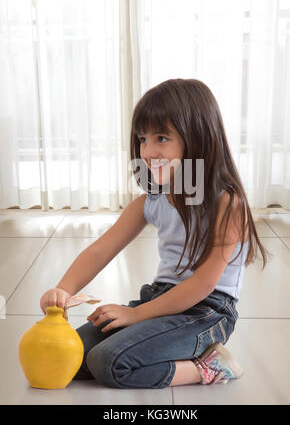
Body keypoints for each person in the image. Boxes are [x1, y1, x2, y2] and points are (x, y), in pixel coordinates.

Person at [40, 78, 270, 389]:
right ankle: (162, 349)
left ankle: (208, 368)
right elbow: (100, 250)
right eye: (142, 139)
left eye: (161, 138)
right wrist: (63, 291)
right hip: (160, 299)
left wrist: (135, 316)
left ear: (199, 138)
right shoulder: (151, 200)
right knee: (73, 354)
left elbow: (204, 283)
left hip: (208, 312)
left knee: (108, 362)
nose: (147, 151)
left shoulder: (228, 203)